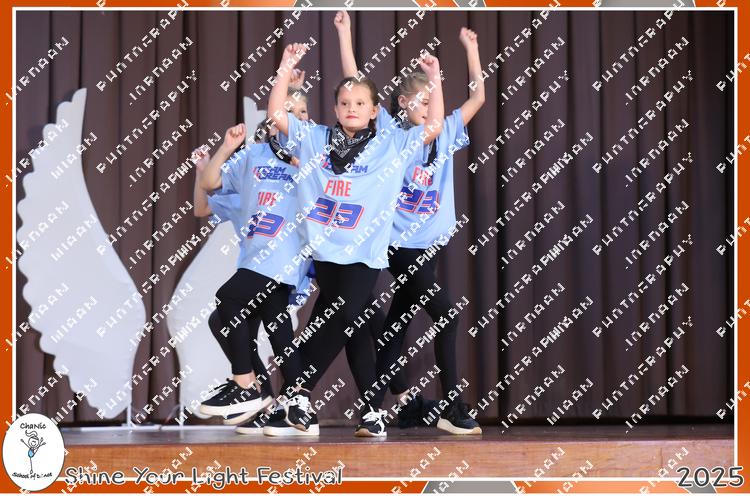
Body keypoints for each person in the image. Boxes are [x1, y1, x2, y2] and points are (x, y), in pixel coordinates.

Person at [267, 42, 444, 437]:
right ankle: (370, 412)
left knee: (346, 316)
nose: (352, 108)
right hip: (326, 251)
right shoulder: (315, 138)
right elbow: (277, 114)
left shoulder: (389, 143)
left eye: (360, 103)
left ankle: (297, 394)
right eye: (345, 102)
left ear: (374, 110)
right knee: (355, 326)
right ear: (335, 109)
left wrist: (434, 79)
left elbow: (433, 126)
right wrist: (285, 66)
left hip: (365, 253)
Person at [335, 10, 485, 434]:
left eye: (434, 98)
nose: (430, 106)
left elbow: (477, 99)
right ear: (403, 104)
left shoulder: (447, 131)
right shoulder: (390, 134)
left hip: (430, 246)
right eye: (422, 99)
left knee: (395, 329)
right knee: (447, 315)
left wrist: (471, 50)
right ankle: (453, 407)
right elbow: (355, 82)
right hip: (400, 246)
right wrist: (345, 33)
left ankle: (372, 411)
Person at [197, 114, 316, 436]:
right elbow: (205, 198)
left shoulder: (311, 158)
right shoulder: (253, 162)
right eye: (286, 114)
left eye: (301, 114)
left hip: (284, 257)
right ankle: (291, 405)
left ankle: (248, 386)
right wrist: (223, 151)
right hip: (254, 260)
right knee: (275, 327)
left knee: (228, 300)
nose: (294, 120)